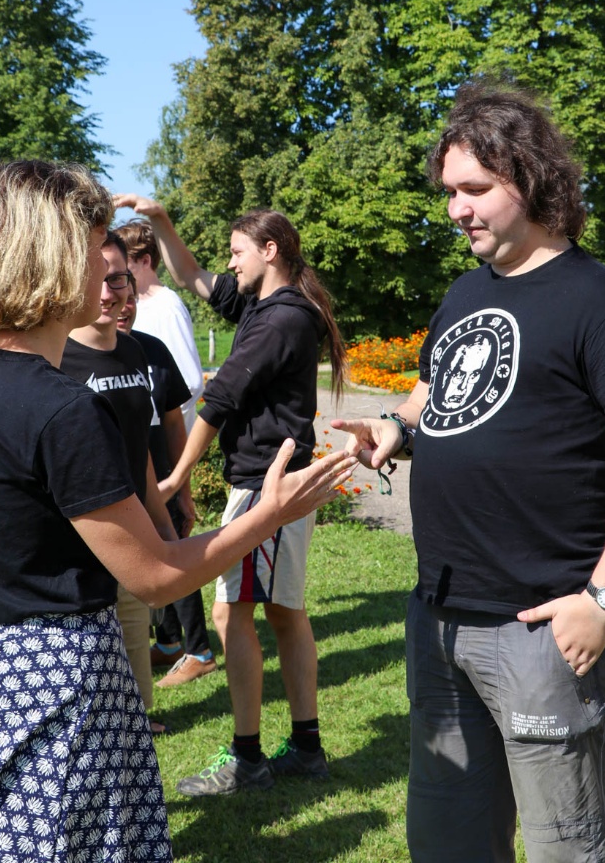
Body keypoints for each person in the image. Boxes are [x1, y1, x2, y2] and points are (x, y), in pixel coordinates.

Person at [0, 160, 355, 861]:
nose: (108, 271)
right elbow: (158, 578)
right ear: (48, 258)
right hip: (57, 696)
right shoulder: (58, 408)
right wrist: (269, 513)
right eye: (93, 250)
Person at [333, 81, 605, 863]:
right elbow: (435, 390)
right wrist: (394, 427)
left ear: (529, 179)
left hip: (546, 634)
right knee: (447, 844)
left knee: (573, 849)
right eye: (449, 193)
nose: (456, 209)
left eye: (474, 189)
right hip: (439, 621)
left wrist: (602, 600)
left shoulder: (601, 301)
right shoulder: (467, 290)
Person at [113, 193, 346, 796]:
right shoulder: (261, 303)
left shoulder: (279, 319)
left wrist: (174, 478)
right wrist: (160, 219)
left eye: (239, 252)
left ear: (271, 251)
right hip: (276, 481)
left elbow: (218, 401)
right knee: (284, 612)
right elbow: (193, 276)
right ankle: (307, 747)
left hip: (266, 485)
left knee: (230, 612)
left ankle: (248, 759)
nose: (231, 263)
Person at [60, 229, 179, 727]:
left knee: (136, 684)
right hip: (79, 550)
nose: (109, 293)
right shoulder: (57, 359)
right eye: (100, 279)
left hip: (134, 537)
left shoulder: (133, 352)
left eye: (119, 280)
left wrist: (163, 523)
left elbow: (138, 446)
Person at [116, 278, 217, 687]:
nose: (123, 306)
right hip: (119, 478)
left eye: (130, 297)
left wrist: (183, 489)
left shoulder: (152, 350)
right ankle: (171, 642)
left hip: (160, 473)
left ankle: (199, 651)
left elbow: (175, 424)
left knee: (173, 555)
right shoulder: (81, 352)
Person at [114, 217, 204, 431]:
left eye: (124, 261)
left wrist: (158, 425)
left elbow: (190, 383)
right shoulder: (135, 305)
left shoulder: (166, 307)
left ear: (145, 261)